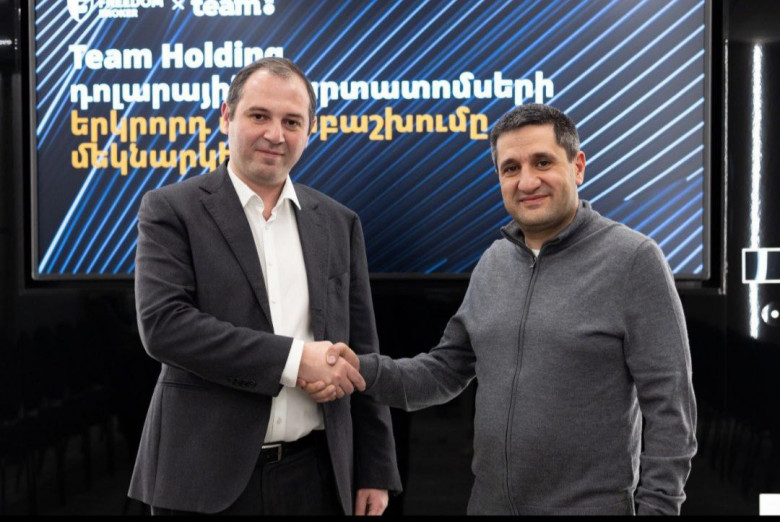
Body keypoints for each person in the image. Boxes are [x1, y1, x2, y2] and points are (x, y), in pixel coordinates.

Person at [303, 104, 697, 515]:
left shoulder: (634, 260)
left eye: (542, 162)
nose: (527, 181)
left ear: (578, 166)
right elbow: (443, 371)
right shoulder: (494, 261)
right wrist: (360, 370)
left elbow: (672, 411)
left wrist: (658, 509)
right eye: (511, 168)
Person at [128, 57, 401, 516]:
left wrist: (375, 468)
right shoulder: (171, 209)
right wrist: (296, 361)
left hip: (315, 476)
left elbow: (361, 351)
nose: (276, 134)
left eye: (292, 122)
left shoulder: (339, 223)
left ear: (310, 131)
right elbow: (164, 326)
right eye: (259, 116)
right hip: (203, 478)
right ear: (226, 117)